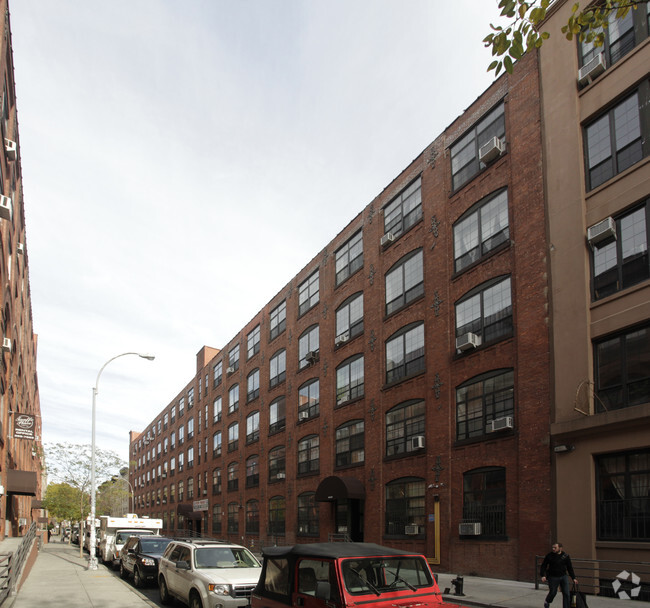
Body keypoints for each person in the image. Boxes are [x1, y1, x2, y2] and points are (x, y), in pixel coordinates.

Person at [540, 542, 578, 608]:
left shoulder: (565, 556)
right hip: (553, 577)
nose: (553, 549)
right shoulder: (549, 556)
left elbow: (569, 568)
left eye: (555, 548)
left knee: (566, 593)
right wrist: (543, 575)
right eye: (552, 547)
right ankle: (547, 601)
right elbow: (544, 566)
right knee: (553, 593)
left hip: (563, 576)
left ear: (560, 548)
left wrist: (573, 578)